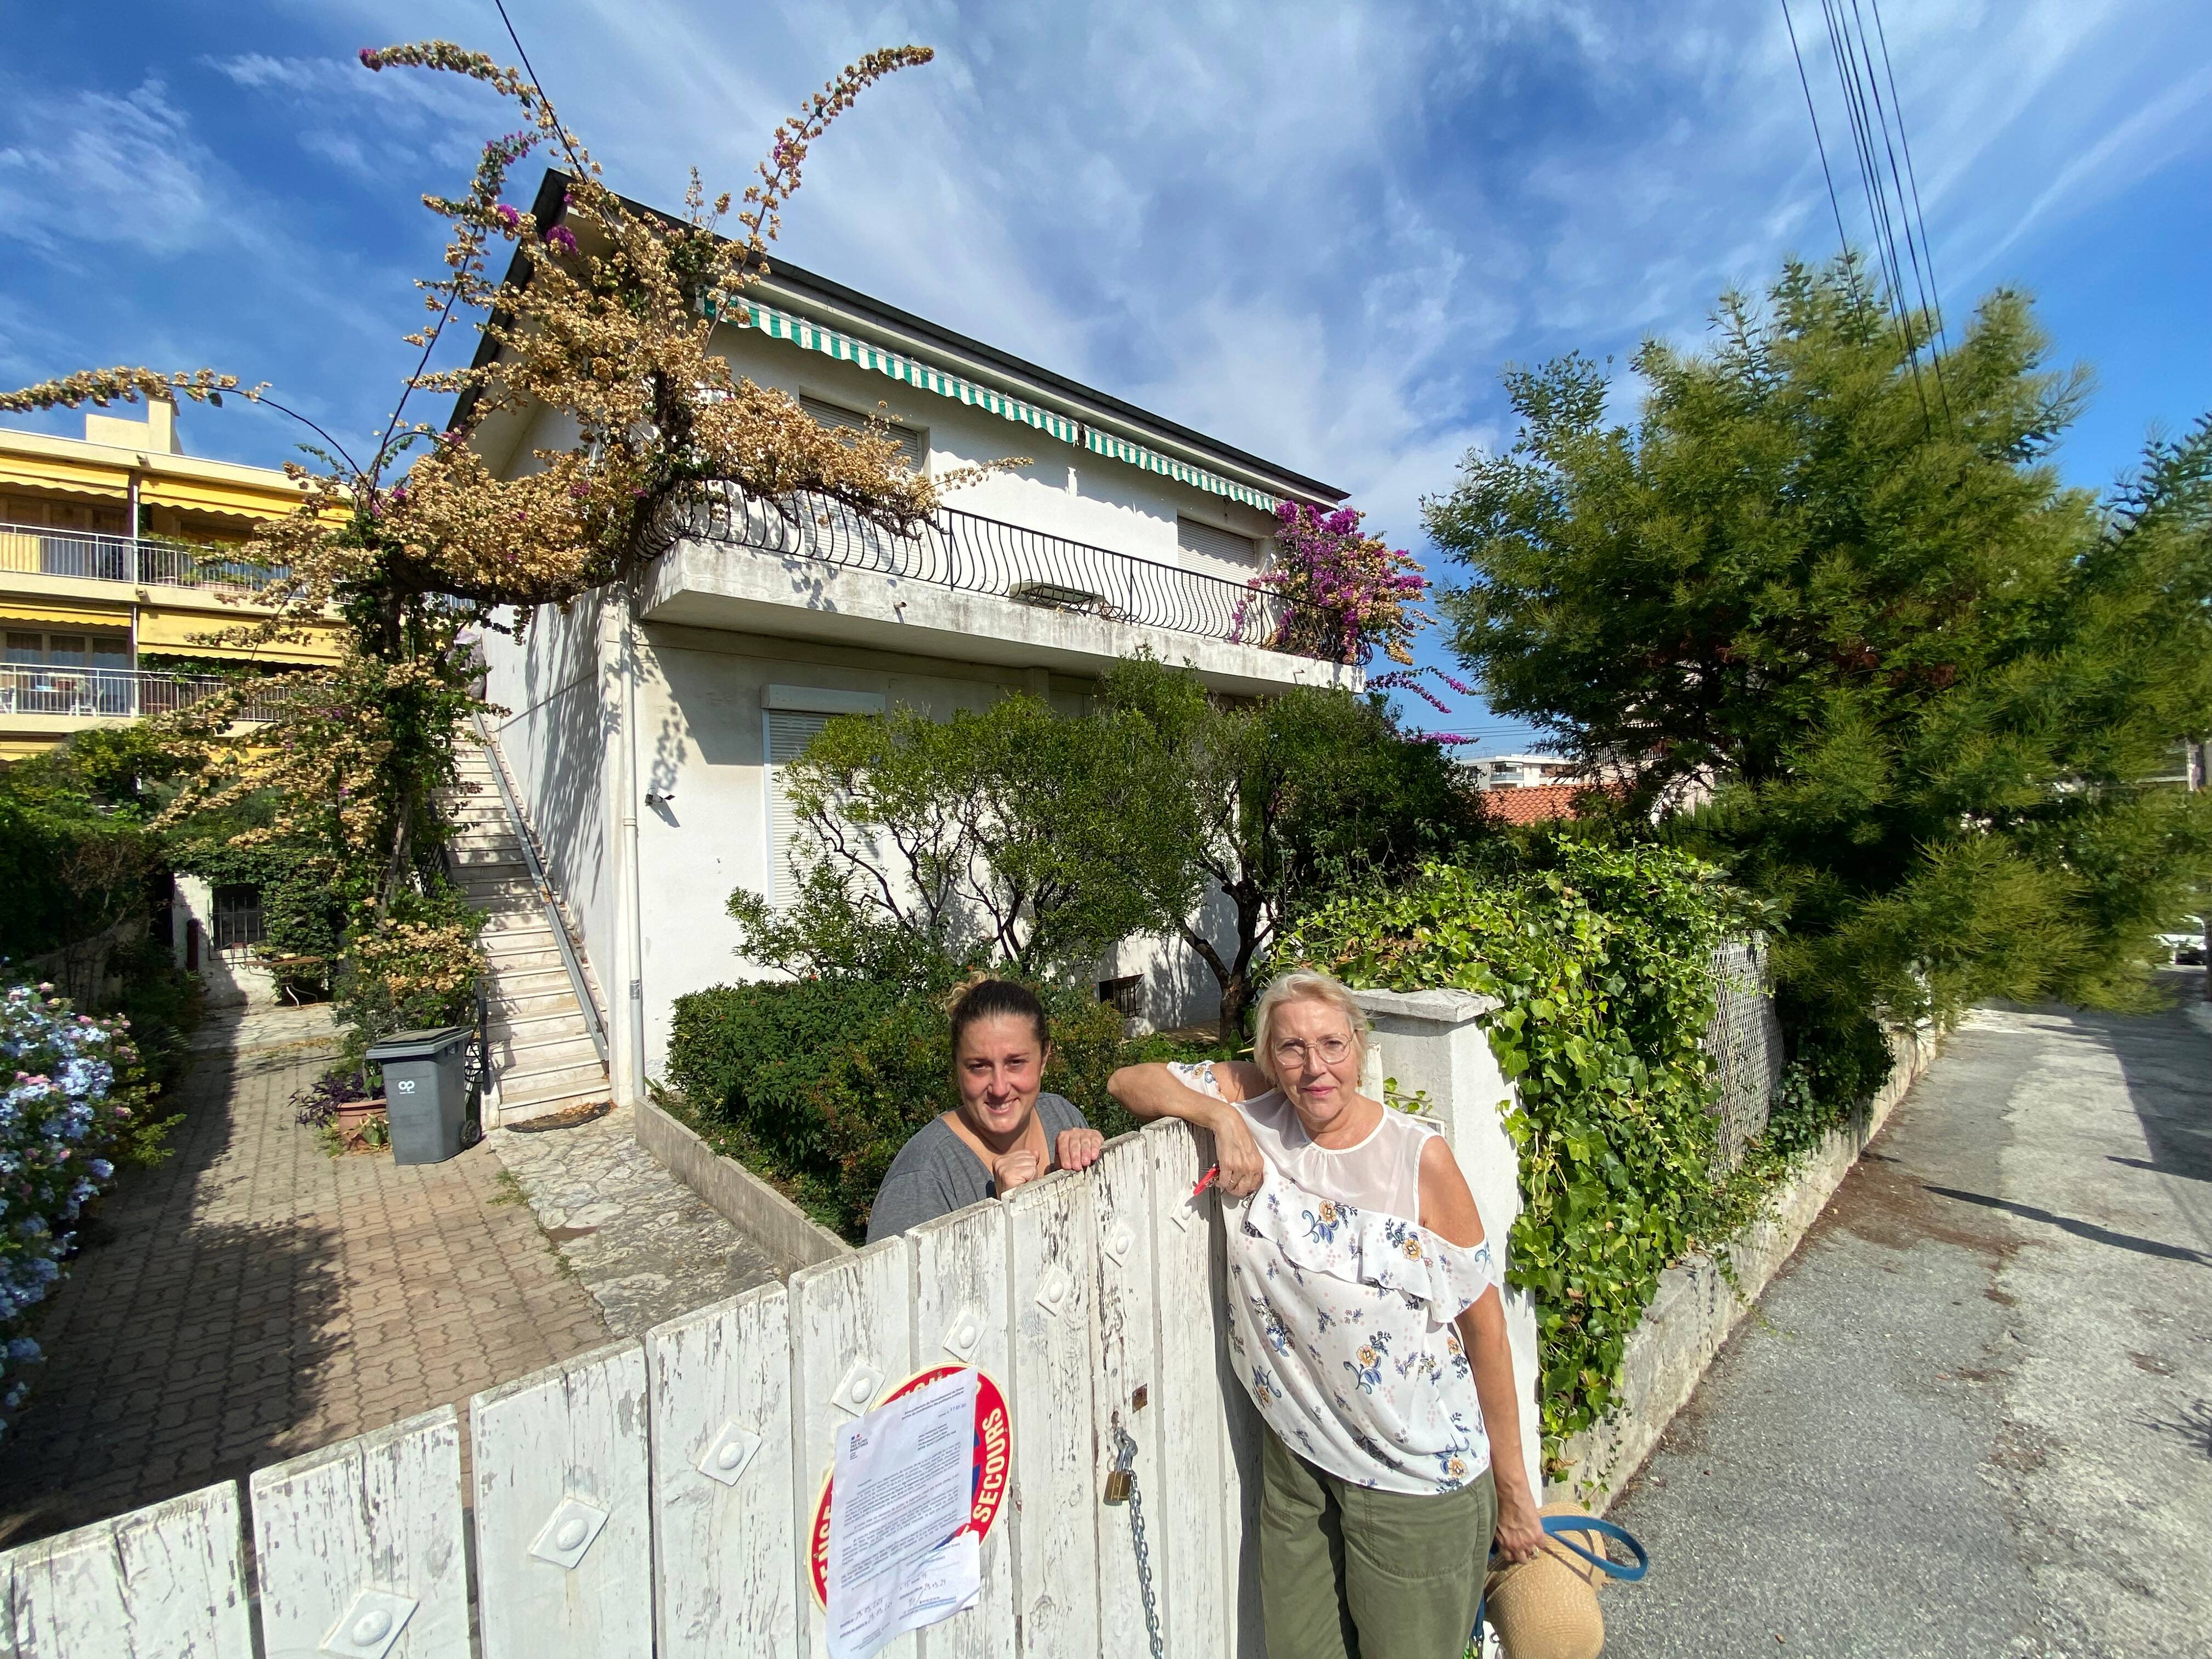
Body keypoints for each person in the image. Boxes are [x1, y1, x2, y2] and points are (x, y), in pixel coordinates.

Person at [1108, 970, 1542, 1659]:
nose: (1315, 1068)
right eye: (1292, 1049)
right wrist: (1220, 1116)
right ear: (1267, 1059)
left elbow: (1483, 1328)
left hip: (1414, 1479)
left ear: (1360, 1048)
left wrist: (1516, 1496)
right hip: (1300, 1459)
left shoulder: (1417, 1159)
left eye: (1333, 1044)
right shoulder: (1259, 1112)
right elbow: (1128, 1081)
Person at [865, 978, 1104, 1243]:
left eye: (1016, 1062)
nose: (999, 1088)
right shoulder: (922, 1180)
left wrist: (1093, 1166)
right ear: (957, 1065)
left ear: (1044, 1058)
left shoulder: (1061, 1115)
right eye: (979, 1066)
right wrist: (999, 1215)